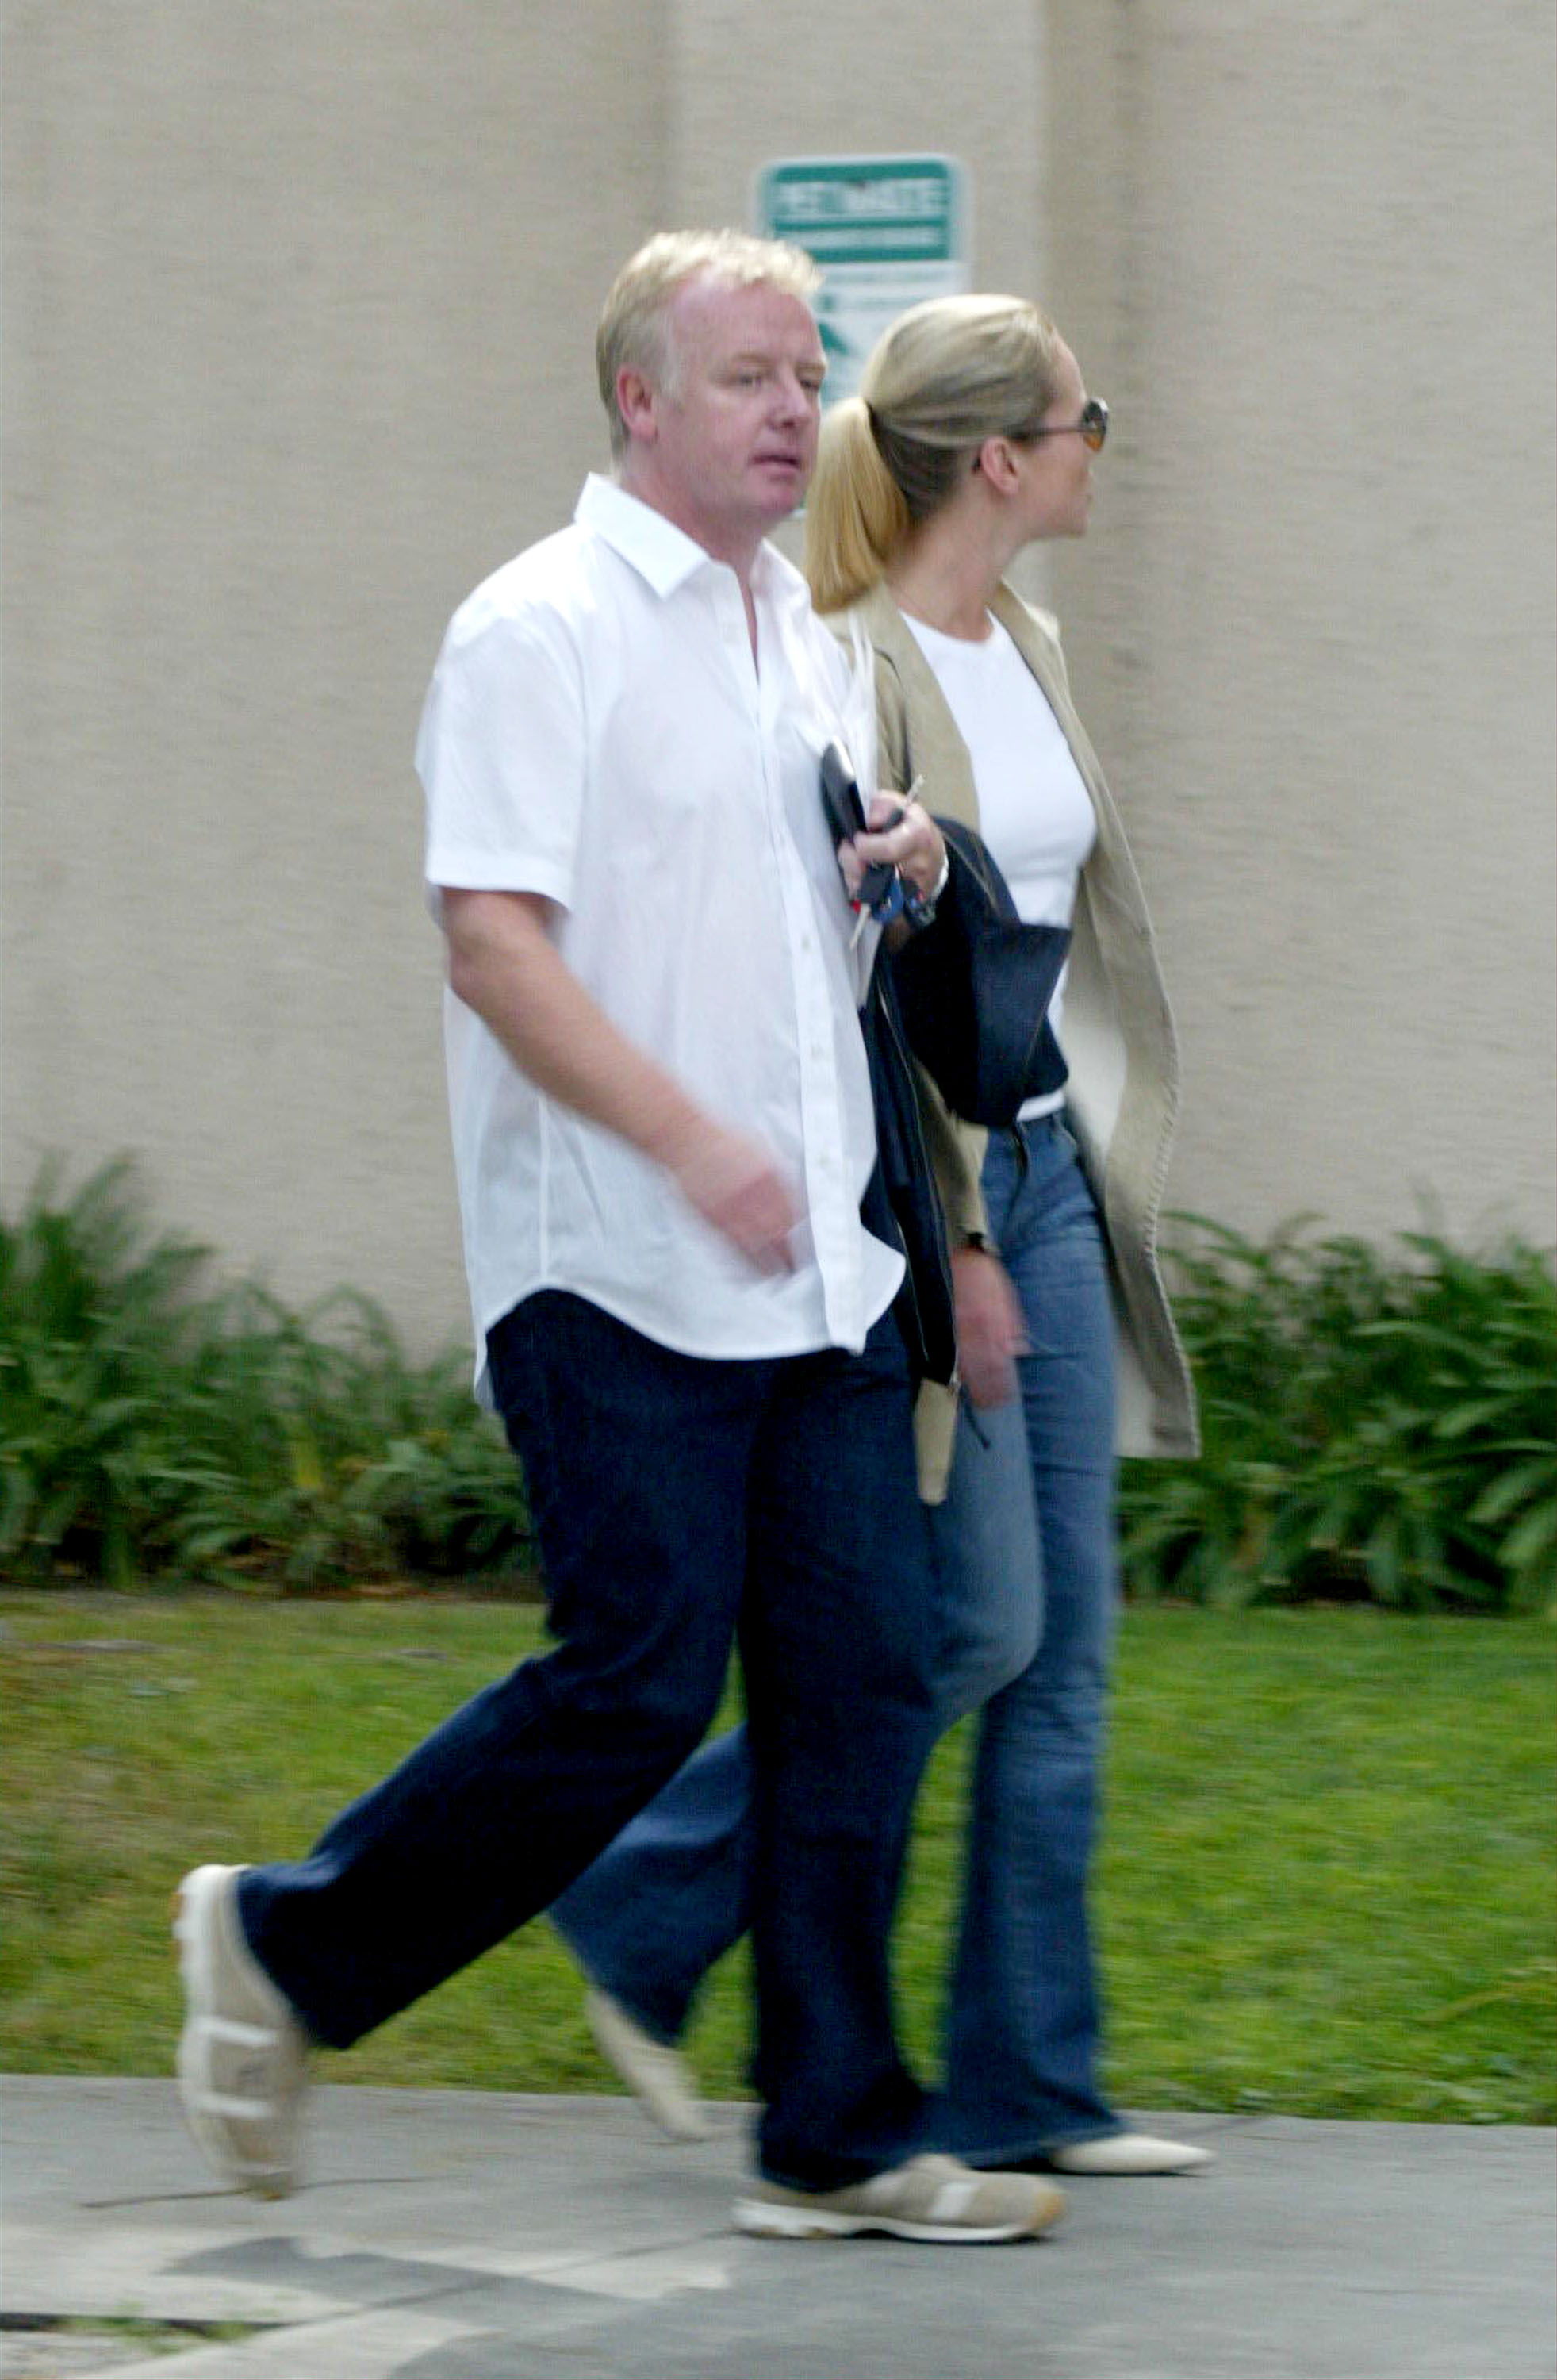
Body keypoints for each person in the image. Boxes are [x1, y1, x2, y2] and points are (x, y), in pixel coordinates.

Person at [169, 232, 1068, 2247]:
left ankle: (832, 2134)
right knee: (636, 1688)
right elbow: (494, 946)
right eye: (745, 374)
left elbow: (782, 941)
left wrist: (897, 874)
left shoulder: (807, 638)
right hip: (617, 1270)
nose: (788, 407)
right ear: (637, 403)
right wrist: (691, 1143)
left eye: (803, 371)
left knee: (860, 1682)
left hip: (820, 1274)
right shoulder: (535, 628)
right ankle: (283, 1951)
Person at [549, 292, 1208, 2178]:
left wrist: (1065, 1168)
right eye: (1091, 415)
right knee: (968, 1629)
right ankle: (656, 1897)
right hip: (959, 1200)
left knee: (1060, 1649)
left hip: (1060, 1174)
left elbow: (1060, 934)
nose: (1102, 442)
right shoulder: (853, 666)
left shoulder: (1032, 641)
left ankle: (1027, 2090)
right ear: (1002, 455)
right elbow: (878, 979)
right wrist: (968, 1241)